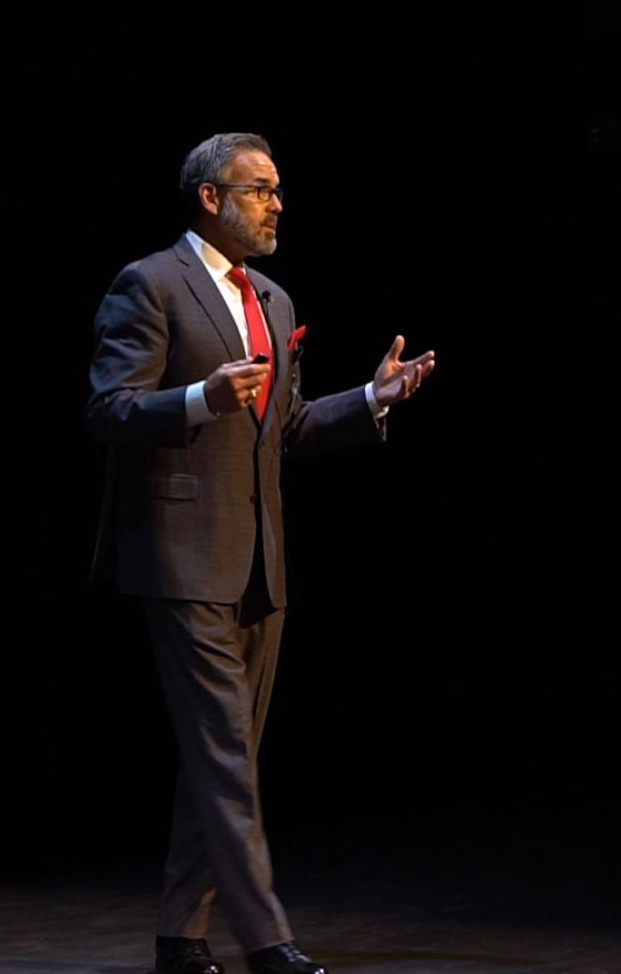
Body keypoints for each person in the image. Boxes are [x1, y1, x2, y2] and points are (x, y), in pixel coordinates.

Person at [86, 132, 434, 974]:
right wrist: (200, 397)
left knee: (222, 755)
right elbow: (109, 410)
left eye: (277, 190)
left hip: (258, 558)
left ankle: (182, 932)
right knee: (225, 754)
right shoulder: (151, 283)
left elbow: (285, 429)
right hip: (179, 553)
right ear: (210, 197)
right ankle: (265, 937)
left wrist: (369, 399)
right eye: (259, 189)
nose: (277, 203)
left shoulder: (272, 300)